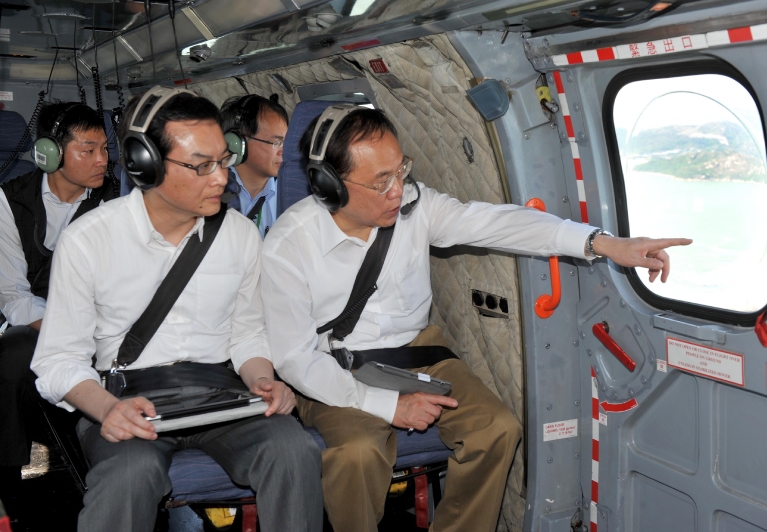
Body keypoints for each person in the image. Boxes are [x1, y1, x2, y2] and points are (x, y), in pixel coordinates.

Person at [260, 106, 691, 532]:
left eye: (401, 171)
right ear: (330, 186)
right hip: (332, 367)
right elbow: (296, 359)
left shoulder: (416, 205)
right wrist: (389, 406)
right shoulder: (288, 246)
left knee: (497, 430)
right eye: (381, 181)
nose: (398, 191)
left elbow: (497, 223)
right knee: (356, 453)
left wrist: (602, 243)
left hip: (415, 354)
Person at [31, 87, 322, 532]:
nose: (221, 178)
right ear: (145, 164)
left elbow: (247, 333)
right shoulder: (88, 241)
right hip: (126, 398)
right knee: (130, 473)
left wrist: (262, 379)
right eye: (201, 166)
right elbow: (57, 359)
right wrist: (108, 409)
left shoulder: (240, 234)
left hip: (222, 396)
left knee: (293, 449)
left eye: (223, 160)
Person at [0, 102, 116, 521]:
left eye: (105, 148)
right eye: (88, 150)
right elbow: (13, 293)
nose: (102, 160)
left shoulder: (115, 201)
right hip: (35, 321)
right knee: (14, 357)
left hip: (98, 320)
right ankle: (8, 481)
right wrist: (64, 330)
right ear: (49, 153)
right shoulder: (9, 201)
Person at [220, 94, 288, 238]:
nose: (284, 151)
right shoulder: (213, 191)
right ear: (237, 143)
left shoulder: (288, 192)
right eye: (276, 143)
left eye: (285, 142)